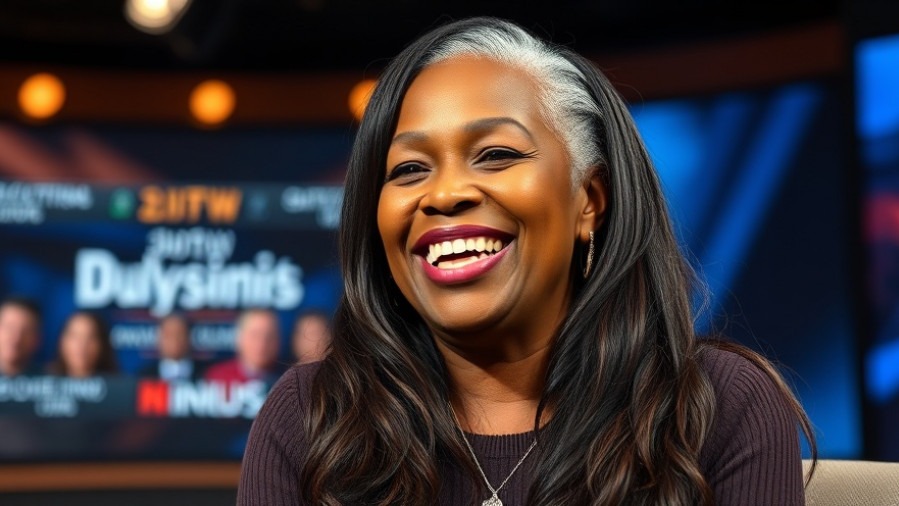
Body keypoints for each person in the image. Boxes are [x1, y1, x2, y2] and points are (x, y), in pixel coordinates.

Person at [238, 17, 815, 506]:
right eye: (409, 168)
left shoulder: (719, 409)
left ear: (590, 200)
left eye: (496, 154)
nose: (444, 194)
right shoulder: (310, 420)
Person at [205, 308, 285, 385]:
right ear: (239, 337)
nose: (262, 343)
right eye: (254, 335)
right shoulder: (217, 378)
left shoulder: (288, 380)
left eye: (269, 336)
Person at [47, 311, 117, 378]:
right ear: (62, 342)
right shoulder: (44, 382)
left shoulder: (118, 386)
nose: (82, 345)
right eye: (74, 336)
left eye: (90, 337)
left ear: (102, 345)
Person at [140, 313, 203, 381]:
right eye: (168, 335)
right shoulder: (143, 377)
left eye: (179, 334)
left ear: (189, 337)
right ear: (159, 338)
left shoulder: (206, 375)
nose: (174, 340)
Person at [0, 296, 42, 377]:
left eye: (26, 331)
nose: (16, 338)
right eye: (9, 327)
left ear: (37, 339)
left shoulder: (51, 383)